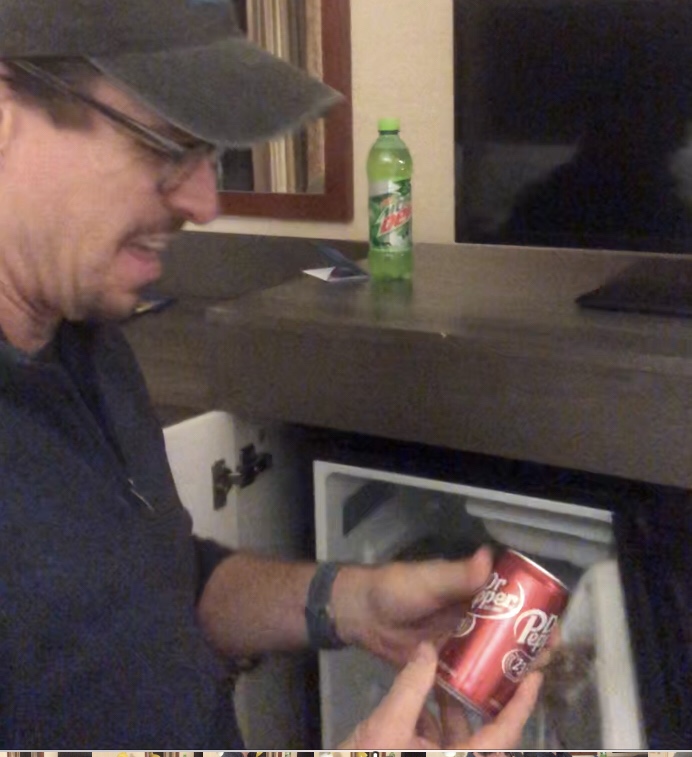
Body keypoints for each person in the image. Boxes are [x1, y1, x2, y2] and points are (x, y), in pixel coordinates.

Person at [0, 0, 544, 748]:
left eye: (210, 154)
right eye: (168, 146)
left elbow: (156, 589)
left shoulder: (87, 341)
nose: (205, 202)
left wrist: (352, 602)